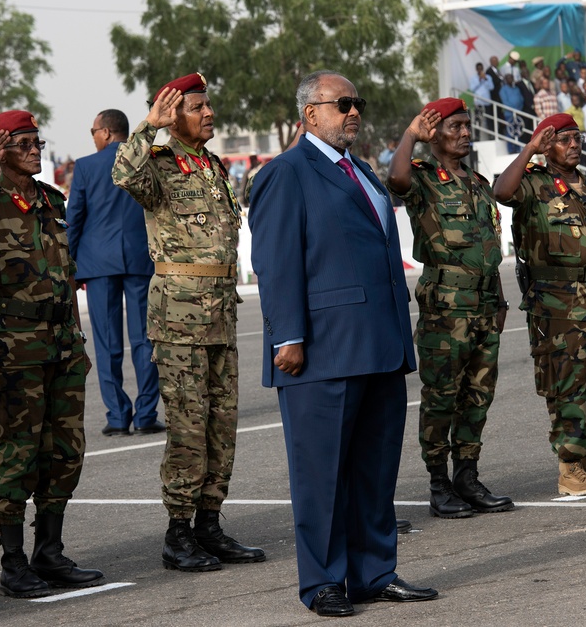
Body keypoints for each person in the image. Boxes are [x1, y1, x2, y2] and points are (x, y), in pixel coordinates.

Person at [249, 70, 437, 617]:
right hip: (322, 350)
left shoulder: (363, 171)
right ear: (311, 114)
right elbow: (276, 261)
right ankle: (323, 581)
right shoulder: (286, 173)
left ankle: (375, 573)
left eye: (357, 103)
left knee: (375, 471)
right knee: (322, 476)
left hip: (379, 343)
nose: (353, 112)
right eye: (341, 104)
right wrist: (288, 335)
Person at [111, 73, 264, 572]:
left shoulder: (211, 165)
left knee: (222, 424)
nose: (209, 114)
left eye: (207, 105)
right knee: (188, 426)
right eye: (197, 107)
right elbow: (124, 177)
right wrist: (146, 128)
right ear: (173, 115)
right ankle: (178, 533)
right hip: (179, 316)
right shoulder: (159, 163)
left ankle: (209, 525)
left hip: (220, 311)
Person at [0, 110, 105, 598]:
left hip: (64, 341)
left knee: (64, 451)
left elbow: (65, 270)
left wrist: (77, 340)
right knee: (20, 451)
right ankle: (13, 561)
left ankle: (50, 551)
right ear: (0, 149)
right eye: (23, 142)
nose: (36, 148)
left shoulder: (51, 199)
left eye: (37, 141)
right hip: (18, 344)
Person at [385, 97, 514, 520]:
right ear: (434, 132)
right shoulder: (423, 178)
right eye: (454, 126)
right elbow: (396, 180)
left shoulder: (477, 183)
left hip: (482, 305)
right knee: (442, 397)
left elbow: (488, 247)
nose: (464, 133)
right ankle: (439, 484)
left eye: (466, 126)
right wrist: (410, 135)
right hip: (446, 307)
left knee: (478, 396)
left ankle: (467, 476)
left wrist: (498, 298)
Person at [493, 113, 586, 497]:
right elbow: (502, 193)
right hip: (558, 303)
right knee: (567, 384)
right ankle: (570, 468)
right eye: (564, 139)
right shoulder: (534, 183)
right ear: (547, 144)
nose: (573, 145)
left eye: (577, 138)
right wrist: (529, 150)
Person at [66, 108, 163, 437]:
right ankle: (147, 413)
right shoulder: (146, 158)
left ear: (106, 132)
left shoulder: (86, 166)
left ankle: (119, 416)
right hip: (140, 259)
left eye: (93, 130)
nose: (92, 136)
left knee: (107, 344)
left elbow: (75, 218)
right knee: (144, 340)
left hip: (97, 264)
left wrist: (71, 266)